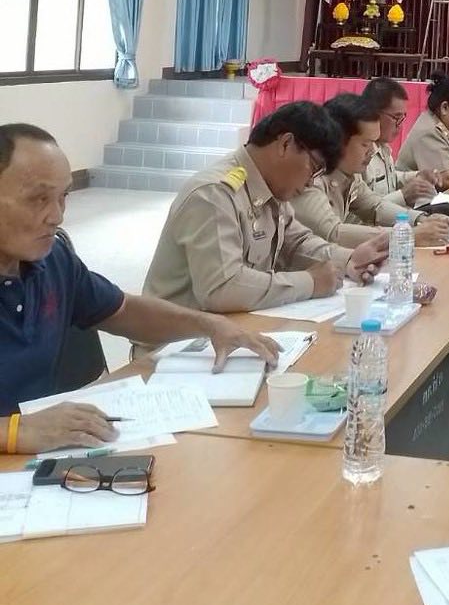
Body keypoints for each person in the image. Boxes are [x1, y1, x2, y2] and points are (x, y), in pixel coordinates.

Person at [0, 123, 277, 454]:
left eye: (64, 197)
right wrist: (13, 431)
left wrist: (209, 325)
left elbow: (123, 310)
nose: (57, 216)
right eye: (38, 199)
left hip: (42, 454)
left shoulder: (53, 259)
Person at [142, 102, 387, 314]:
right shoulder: (214, 195)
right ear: (286, 144)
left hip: (229, 331)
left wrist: (348, 259)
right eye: (314, 168)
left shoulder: (270, 189)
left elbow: (297, 242)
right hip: (178, 346)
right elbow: (222, 288)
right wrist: (310, 282)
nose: (311, 183)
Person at [291, 94, 449, 248]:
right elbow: (333, 233)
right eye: (365, 144)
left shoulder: (349, 175)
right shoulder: (311, 177)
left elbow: (375, 206)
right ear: (338, 140)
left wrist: (422, 219)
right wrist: (408, 235)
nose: (372, 151)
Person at [361, 77, 443, 206]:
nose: (400, 125)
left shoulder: (383, 146)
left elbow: (390, 178)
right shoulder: (359, 153)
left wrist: (417, 176)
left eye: (403, 117)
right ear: (373, 114)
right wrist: (403, 195)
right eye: (396, 117)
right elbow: (361, 210)